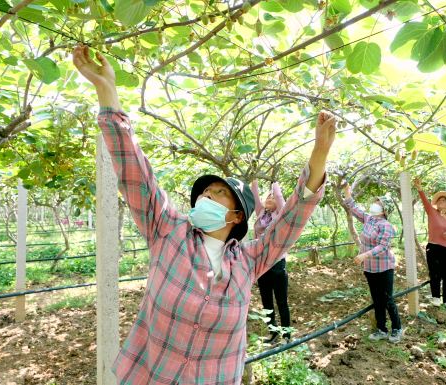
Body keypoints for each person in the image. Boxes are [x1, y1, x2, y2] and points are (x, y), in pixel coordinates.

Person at [72, 45, 336, 385]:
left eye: (220, 193)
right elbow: (136, 174)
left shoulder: (249, 260)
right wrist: (107, 92)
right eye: (205, 192)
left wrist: (319, 154)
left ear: (238, 217)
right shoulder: (168, 230)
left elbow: (292, 220)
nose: (207, 195)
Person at [343, 184, 403, 343]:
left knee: (387, 298)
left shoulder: (386, 226)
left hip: (384, 267)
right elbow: (355, 209)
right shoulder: (369, 219)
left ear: (384, 210)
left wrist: (364, 255)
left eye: (379, 203)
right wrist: (347, 194)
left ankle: (397, 328)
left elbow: (383, 247)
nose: (375, 204)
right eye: (376, 201)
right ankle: (382, 329)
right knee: (377, 299)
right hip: (369, 268)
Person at [250, 180, 291, 344]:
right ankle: (273, 333)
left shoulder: (280, 215)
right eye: (268, 196)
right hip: (262, 264)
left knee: (281, 302)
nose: (270, 198)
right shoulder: (261, 214)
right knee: (266, 302)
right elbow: (255, 198)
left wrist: (274, 184)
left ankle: (287, 335)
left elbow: (281, 200)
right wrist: (254, 182)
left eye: (272, 197)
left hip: (277, 264)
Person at [413, 178, 446, 311]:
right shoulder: (432, 213)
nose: (440, 202)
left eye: (443, 200)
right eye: (439, 200)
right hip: (433, 247)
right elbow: (425, 201)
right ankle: (435, 297)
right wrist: (419, 188)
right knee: (435, 273)